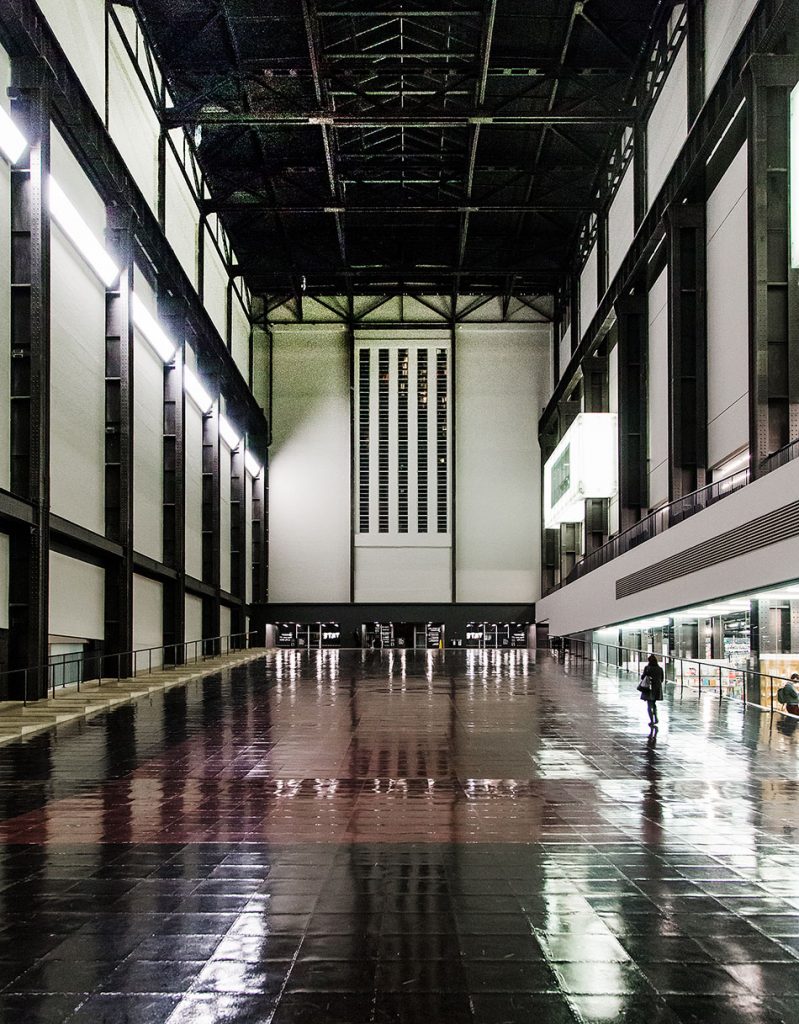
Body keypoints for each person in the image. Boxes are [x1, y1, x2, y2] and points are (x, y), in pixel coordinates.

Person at [638, 653, 664, 727]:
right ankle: (656, 717)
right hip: (657, 688)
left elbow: (643, 677)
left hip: (649, 688)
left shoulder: (647, 668)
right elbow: (662, 679)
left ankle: (651, 720)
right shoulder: (660, 669)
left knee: (649, 705)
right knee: (654, 704)